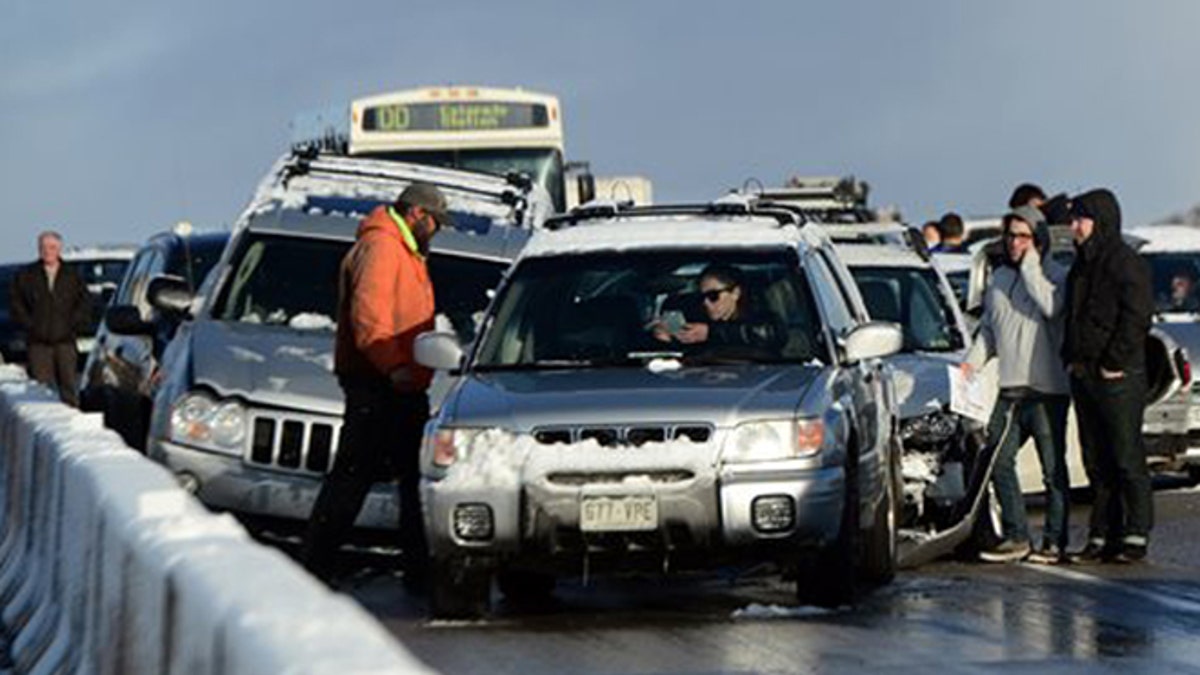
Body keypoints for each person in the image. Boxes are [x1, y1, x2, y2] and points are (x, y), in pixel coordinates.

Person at [301, 182, 452, 589]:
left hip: (396, 382)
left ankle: (417, 572)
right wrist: (394, 367)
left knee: (406, 481)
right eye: (437, 222)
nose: (438, 230)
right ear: (418, 214)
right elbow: (370, 318)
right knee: (355, 479)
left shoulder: (401, 248)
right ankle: (315, 568)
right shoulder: (384, 248)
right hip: (380, 383)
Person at [962, 205, 1071, 564]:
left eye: (1023, 236)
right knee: (997, 458)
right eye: (1010, 235)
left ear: (1037, 239)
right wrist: (970, 366)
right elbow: (990, 333)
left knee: (1052, 470)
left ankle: (1054, 541)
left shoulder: (1056, 275)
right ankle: (1016, 534)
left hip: (1047, 390)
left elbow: (1051, 307)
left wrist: (1031, 267)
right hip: (1010, 390)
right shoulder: (997, 281)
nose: (1014, 243)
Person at [1062, 188, 1154, 564]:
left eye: (1079, 219)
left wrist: (1114, 360)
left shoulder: (1125, 262)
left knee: (1126, 457)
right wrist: (1070, 357)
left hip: (1118, 375)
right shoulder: (1081, 264)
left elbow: (1137, 317)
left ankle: (1135, 532)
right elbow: (1073, 316)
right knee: (1096, 460)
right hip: (1083, 373)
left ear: (1099, 221)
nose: (1073, 227)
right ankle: (1102, 533)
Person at [8, 231, 91, 407]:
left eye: (52, 247)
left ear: (59, 249)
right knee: (41, 390)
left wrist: (73, 325)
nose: (48, 251)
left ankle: (70, 425)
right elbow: (16, 303)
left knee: (69, 387)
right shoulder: (27, 275)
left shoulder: (72, 276)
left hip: (65, 341)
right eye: (44, 248)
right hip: (38, 343)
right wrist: (30, 325)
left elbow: (84, 303)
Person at [651, 264, 785, 357]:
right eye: (702, 297)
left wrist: (710, 333)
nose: (706, 303)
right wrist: (666, 341)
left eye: (713, 296)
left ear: (735, 293)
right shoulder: (696, 322)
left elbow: (767, 334)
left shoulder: (760, 318)